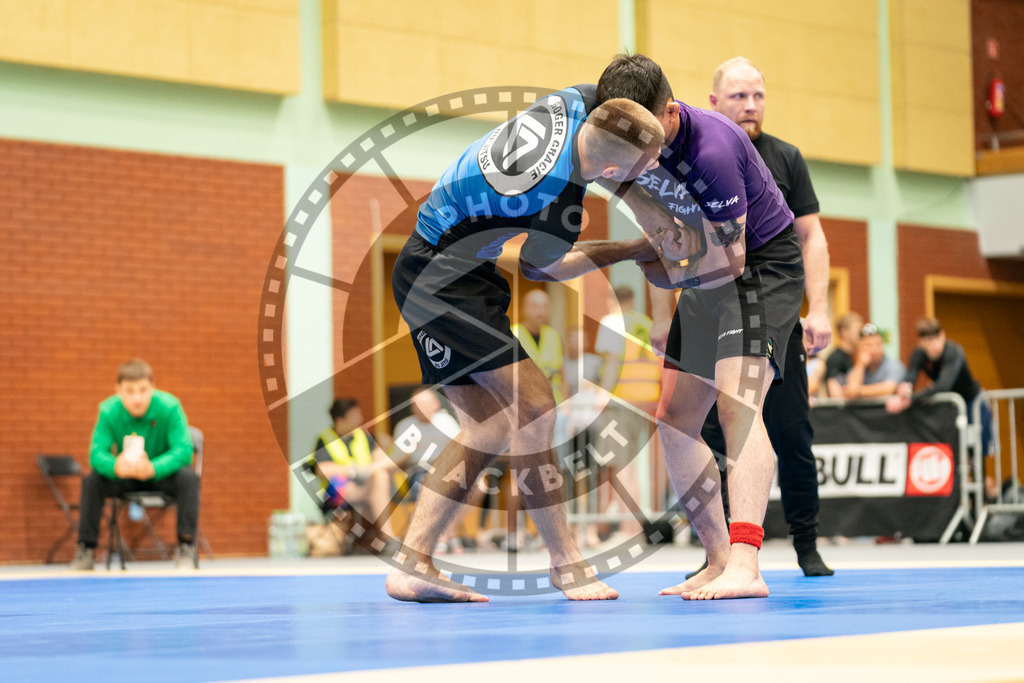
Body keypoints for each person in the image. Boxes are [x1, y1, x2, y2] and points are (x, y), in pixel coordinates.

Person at [388, 88, 665, 602]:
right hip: (441, 276)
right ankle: (567, 561)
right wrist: (635, 248)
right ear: (608, 173)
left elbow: (615, 111)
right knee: (536, 406)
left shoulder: (576, 102)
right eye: (636, 175)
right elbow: (544, 269)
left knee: (489, 425)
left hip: (453, 265)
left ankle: (413, 562)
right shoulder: (554, 192)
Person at [596, 53, 804, 599]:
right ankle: (715, 558)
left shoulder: (711, 147)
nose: (637, 157)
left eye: (645, 141)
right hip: (706, 261)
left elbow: (728, 262)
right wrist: (624, 252)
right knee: (675, 417)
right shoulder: (618, 132)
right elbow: (667, 234)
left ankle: (746, 561)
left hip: (759, 263)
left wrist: (666, 267)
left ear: (669, 112)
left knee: (739, 403)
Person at [694, 57, 833, 577]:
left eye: (758, 96)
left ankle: (806, 544)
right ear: (714, 102)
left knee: (792, 432)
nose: (750, 106)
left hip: (776, 312)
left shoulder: (786, 158)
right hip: (716, 311)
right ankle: (722, 547)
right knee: (714, 431)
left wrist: (817, 308)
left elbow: (811, 236)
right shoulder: (702, 155)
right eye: (738, 97)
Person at [70, 359, 198, 570]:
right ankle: (86, 549)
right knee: (93, 480)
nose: (137, 398)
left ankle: (186, 546)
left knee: (188, 477)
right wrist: (115, 466)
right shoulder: (108, 410)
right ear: (118, 390)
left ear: (152, 388)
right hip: (125, 476)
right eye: (129, 391)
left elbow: (184, 451)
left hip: (160, 476)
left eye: (142, 390)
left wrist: (154, 468)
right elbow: (96, 454)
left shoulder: (170, 406)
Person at [594, 285, 662, 545]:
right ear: (632, 300)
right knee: (633, 467)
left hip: (621, 400)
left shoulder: (612, 321)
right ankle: (633, 527)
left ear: (612, 300)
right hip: (645, 400)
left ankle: (629, 529)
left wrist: (602, 394)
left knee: (621, 466)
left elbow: (612, 361)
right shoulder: (644, 323)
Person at [886, 318, 992, 457]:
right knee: (952, 445)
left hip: (971, 402)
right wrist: (904, 390)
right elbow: (911, 376)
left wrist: (911, 399)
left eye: (935, 338)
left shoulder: (953, 352)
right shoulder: (919, 354)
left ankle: (980, 478)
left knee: (976, 449)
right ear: (921, 342)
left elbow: (943, 385)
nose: (932, 345)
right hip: (950, 405)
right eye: (927, 340)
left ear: (942, 336)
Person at [311, 398, 396, 541]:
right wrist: (352, 470)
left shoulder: (362, 435)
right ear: (340, 420)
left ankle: (387, 537)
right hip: (337, 492)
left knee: (380, 476)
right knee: (376, 479)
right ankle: (387, 537)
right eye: (355, 415)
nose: (360, 419)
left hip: (363, 486)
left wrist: (371, 468)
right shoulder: (325, 438)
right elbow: (321, 470)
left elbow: (384, 459)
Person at [390, 388, 464, 551]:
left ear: (436, 404)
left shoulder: (446, 421)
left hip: (447, 468)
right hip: (417, 472)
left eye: (423, 404)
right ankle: (444, 537)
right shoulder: (405, 425)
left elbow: (460, 449)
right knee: (435, 485)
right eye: (416, 405)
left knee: (477, 485)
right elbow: (398, 460)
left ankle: (446, 534)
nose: (419, 408)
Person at [512, 290, 568, 403]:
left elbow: (562, 375)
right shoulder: (512, 335)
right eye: (534, 307)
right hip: (524, 407)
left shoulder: (553, 335)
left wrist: (566, 404)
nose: (541, 312)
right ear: (523, 309)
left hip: (554, 405)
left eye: (545, 307)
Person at [836, 323, 905, 399]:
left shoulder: (894, 366)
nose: (875, 349)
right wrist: (860, 365)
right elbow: (851, 391)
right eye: (868, 345)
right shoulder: (857, 369)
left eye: (878, 344)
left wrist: (857, 391)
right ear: (859, 348)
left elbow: (888, 389)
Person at [825, 312, 864, 398]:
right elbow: (834, 392)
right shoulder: (835, 358)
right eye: (858, 330)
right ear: (844, 332)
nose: (861, 335)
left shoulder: (857, 355)